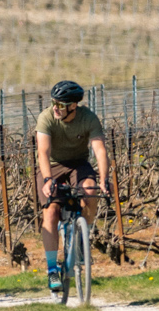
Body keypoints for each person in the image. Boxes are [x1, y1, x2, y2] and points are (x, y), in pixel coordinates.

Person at [35, 80, 111, 293]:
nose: (56, 108)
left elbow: (100, 150)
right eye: (54, 103)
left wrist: (104, 179)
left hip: (79, 164)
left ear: (73, 106)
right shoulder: (47, 117)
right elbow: (43, 152)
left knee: (91, 191)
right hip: (52, 166)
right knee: (51, 212)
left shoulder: (88, 118)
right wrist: (48, 180)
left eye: (61, 104)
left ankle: (80, 236)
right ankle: (52, 269)